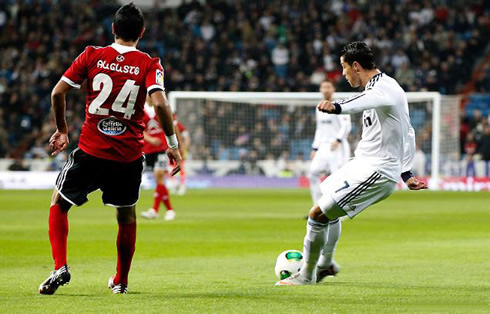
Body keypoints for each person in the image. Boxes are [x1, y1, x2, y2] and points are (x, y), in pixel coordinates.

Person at [39, 3, 182, 295]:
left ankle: (60, 266)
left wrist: (63, 130)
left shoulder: (92, 54)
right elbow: (160, 104)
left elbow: (58, 92)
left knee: (59, 203)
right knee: (126, 216)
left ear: (113, 29)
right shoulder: (149, 64)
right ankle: (121, 281)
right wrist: (173, 144)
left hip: (91, 150)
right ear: (141, 32)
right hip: (128, 157)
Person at [276, 42, 427, 286]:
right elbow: (406, 132)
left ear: (356, 66)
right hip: (362, 164)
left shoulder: (385, 89)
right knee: (326, 211)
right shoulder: (376, 89)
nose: (343, 74)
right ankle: (326, 266)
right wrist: (407, 173)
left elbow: (356, 105)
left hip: (377, 172)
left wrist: (336, 107)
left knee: (317, 215)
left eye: (344, 68)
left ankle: (306, 276)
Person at [309, 79, 351, 205]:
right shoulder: (319, 107)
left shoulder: (340, 104)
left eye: (328, 87)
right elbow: (320, 129)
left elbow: (346, 125)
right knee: (313, 173)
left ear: (333, 89)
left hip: (337, 146)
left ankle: (339, 208)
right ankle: (318, 206)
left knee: (338, 178)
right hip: (323, 146)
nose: (325, 89)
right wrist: (315, 148)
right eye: (323, 87)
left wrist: (338, 140)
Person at [140, 98, 176, 220]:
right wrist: (150, 140)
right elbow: (139, 129)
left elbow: (171, 125)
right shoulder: (140, 109)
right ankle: (168, 210)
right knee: (158, 180)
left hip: (162, 148)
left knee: (159, 174)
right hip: (148, 150)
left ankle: (155, 210)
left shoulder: (161, 107)